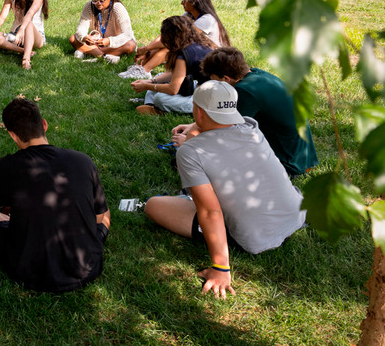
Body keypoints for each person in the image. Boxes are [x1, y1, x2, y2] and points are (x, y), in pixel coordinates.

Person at [145, 80, 306, 298]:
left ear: (197, 111)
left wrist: (221, 268)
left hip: (254, 236)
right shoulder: (251, 126)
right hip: (295, 214)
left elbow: (210, 212)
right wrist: (195, 126)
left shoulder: (190, 152)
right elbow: (213, 124)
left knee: (154, 206)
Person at [0, 98, 110, 293]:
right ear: (44, 125)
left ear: (13, 135)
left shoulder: (5, 168)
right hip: (88, 266)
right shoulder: (83, 161)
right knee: (105, 215)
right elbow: (101, 217)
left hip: (32, 272)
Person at [169, 47, 319, 176]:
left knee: (210, 160)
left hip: (287, 163)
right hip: (303, 157)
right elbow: (222, 121)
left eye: (215, 80)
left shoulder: (244, 92)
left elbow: (225, 135)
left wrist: (190, 144)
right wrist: (193, 126)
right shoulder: (256, 74)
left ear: (226, 79)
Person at [124, 0, 229, 79]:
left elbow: (178, 40)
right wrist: (147, 50)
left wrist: (147, 48)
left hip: (212, 58)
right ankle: (140, 67)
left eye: (184, 0)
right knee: (167, 42)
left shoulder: (207, 19)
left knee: (172, 45)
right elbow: (166, 35)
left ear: (194, 1)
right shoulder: (188, 15)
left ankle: (145, 70)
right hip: (196, 51)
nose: (181, 3)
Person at [130, 15, 217, 115]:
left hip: (208, 100)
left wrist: (147, 86)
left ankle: (161, 108)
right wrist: (151, 81)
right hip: (203, 88)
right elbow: (176, 73)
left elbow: (173, 89)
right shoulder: (198, 42)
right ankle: (150, 105)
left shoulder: (184, 53)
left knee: (160, 98)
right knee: (158, 77)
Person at [69, 0, 136, 65]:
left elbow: (128, 34)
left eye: (102, 0)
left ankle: (90, 52)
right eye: (95, 0)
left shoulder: (118, 8)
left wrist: (109, 41)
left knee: (131, 46)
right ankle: (106, 56)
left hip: (115, 43)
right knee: (73, 38)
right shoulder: (89, 6)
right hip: (97, 42)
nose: (98, 3)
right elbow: (80, 29)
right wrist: (85, 37)